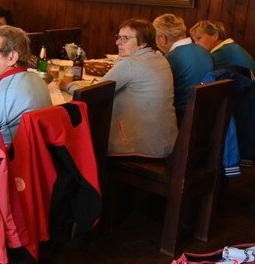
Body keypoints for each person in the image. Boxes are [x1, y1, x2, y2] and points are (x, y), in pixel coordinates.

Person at [61, 18, 177, 157]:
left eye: (125, 38)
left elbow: (92, 95)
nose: (117, 42)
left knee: (70, 142)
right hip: (165, 141)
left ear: (143, 43)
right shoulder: (161, 59)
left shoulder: (130, 64)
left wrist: (68, 85)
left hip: (140, 146)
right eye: (119, 37)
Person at [153, 14, 213, 120]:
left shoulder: (171, 58)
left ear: (162, 38)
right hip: (204, 115)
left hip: (181, 118)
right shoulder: (203, 51)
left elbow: (156, 94)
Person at [190, 20, 255, 75]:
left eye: (199, 38)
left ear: (215, 36)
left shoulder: (223, 53)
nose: (195, 43)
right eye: (194, 40)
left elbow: (201, 73)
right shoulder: (228, 47)